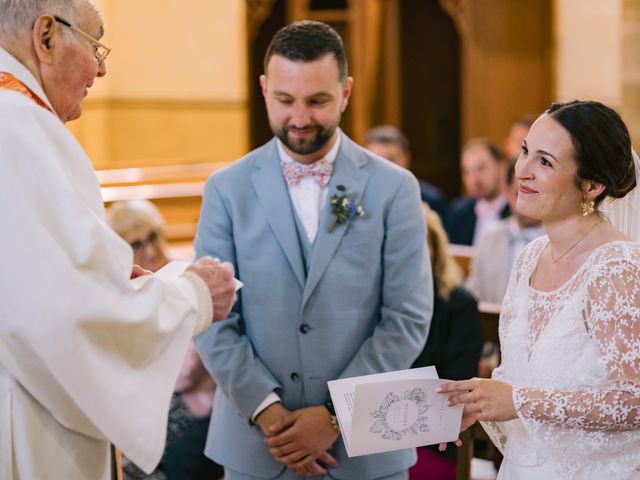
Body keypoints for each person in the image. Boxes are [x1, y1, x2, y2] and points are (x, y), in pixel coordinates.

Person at [0, 2, 237, 479]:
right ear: (46, 37)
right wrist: (190, 295)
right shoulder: (17, 128)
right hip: (27, 416)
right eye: (94, 45)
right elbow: (64, 317)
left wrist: (109, 280)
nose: (102, 68)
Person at [194, 20, 433, 480]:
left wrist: (335, 414)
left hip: (367, 449)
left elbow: (407, 316)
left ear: (345, 92)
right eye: (285, 100)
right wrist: (269, 412)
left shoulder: (395, 188)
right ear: (264, 89)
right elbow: (211, 316)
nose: (300, 118)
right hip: (259, 447)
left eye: (318, 101)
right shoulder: (226, 189)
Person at [439, 100, 640, 479]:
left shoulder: (616, 267)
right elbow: (525, 375)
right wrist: (479, 401)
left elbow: (636, 400)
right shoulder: (530, 257)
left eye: (545, 162)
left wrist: (517, 400)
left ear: (592, 186)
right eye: (525, 152)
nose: (521, 172)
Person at [107, 200, 224, 480]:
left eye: (153, 236)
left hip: (196, 402)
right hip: (151, 397)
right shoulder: (122, 286)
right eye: (135, 244)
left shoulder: (191, 278)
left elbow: (185, 376)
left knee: (149, 456)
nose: (149, 250)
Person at [410, 205, 483, 480]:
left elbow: (456, 383)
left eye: (421, 243)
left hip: (432, 436)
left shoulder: (459, 305)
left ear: (436, 248)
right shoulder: (373, 302)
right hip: (378, 429)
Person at [466, 161, 544, 304]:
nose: (527, 203)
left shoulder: (556, 240)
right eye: (519, 193)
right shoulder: (490, 236)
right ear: (507, 193)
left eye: (534, 193)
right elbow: (473, 290)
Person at [364, 125, 448, 220]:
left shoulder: (431, 200)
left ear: (406, 158)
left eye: (390, 159)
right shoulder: (354, 198)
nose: (385, 168)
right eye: (377, 160)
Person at [446, 139, 510, 246]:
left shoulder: (517, 212)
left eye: (481, 168)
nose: (474, 179)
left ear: (501, 167)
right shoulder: (458, 213)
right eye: (467, 172)